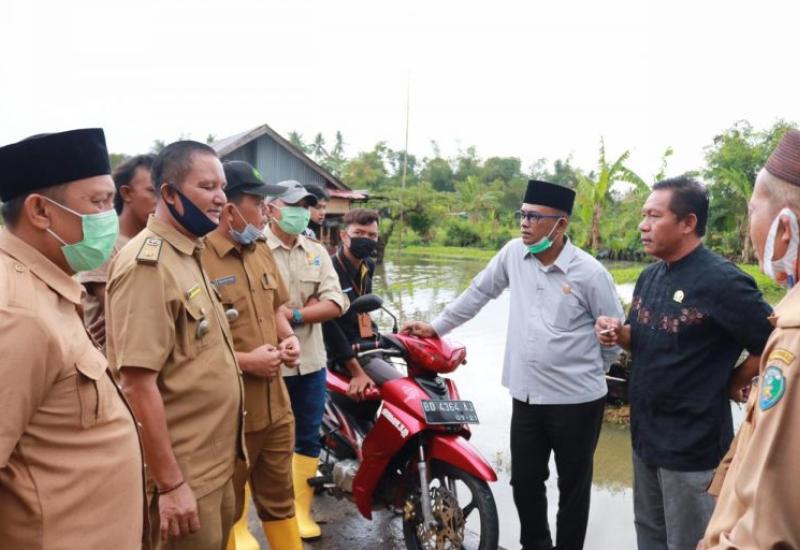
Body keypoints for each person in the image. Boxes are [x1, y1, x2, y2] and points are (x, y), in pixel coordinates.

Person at [402, 181, 624, 550]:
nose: (524, 223)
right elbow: (478, 293)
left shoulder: (590, 273)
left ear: (561, 224)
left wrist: (585, 373)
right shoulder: (512, 255)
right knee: (524, 481)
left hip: (577, 403)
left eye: (534, 217)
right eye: (522, 214)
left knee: (573, 487)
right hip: (526, 395)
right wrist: (437, 326)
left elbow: (612, 336)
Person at [595, 176, 774, 550]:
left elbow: (774, 341)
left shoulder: (723, 282)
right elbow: (642, 337)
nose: (643, 225)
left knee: (691, 543)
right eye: (643, 215)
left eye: (654, 216)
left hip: (693, 449)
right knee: (650, 536)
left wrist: (732, 380)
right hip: (645, 437)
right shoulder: (649, 277)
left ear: (688, 223)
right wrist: (618, 332)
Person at [0, 128, 145, 549]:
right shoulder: (17, 314)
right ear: (41, 211)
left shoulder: (51, 285)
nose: (109, 216)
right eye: (98, 202)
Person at [105, 140, 246, 550]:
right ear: (169, 193)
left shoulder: (190, 252)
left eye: (221, 186)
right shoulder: (147, 265)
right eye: (207, 186)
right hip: (185, 474)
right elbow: (136, 384)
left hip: (215, 464)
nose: (221, 197)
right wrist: (170, 486)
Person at [700, 129, 800, 549]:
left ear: (785, 227)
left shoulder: (793, 343)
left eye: (753, 208)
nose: (749, 223)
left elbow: (766, 529)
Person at [201, 161, 302, 550]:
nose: (266, 212)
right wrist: (245, 362)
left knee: (281, 498)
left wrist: (289, 337)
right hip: (229, 414)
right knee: (227, 506)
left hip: (276, 406)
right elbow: (188, 347)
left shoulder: (260, 249)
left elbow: (275, 306)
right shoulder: (199, 256)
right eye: (258, 203)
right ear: (229, 207)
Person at [264, 180, 348, 540]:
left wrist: (294, 316)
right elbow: (257, 306)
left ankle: (300, 511)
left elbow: (336, 303)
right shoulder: (254, 250)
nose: (301, 211)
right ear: (271, 208)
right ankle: (258, 517)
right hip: (267, 363)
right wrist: (304, 309)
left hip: (311, 363)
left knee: (307, 438)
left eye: (306, 205)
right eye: (293, 204)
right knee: (262, 439)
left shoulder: (316, 251)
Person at [77, 153, 156, 349]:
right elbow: (122, 316)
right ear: (127, 193)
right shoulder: (105, 244)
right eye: (152, 191)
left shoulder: (157, 241)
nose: (160, 201)